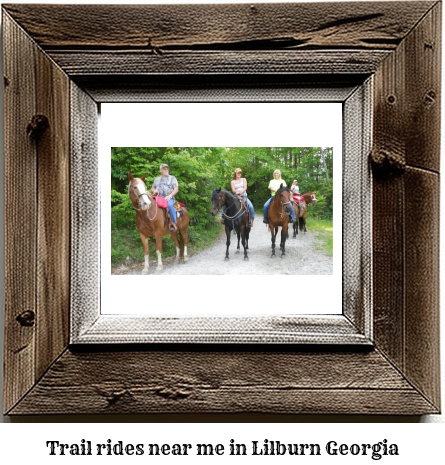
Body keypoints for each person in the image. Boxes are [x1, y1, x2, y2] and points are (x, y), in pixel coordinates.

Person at [151, 163, 179, 232]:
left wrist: (170, 196)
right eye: (164, 169)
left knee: (170, 205)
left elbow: (176, 189)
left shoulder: (172, 178)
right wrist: (155, 191)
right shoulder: (157, 179)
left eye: (167, 169)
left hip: (169, 198)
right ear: (160, 170)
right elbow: (153, 188)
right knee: (149, 204)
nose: (166, 170)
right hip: (158, 198)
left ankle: (173, 223)